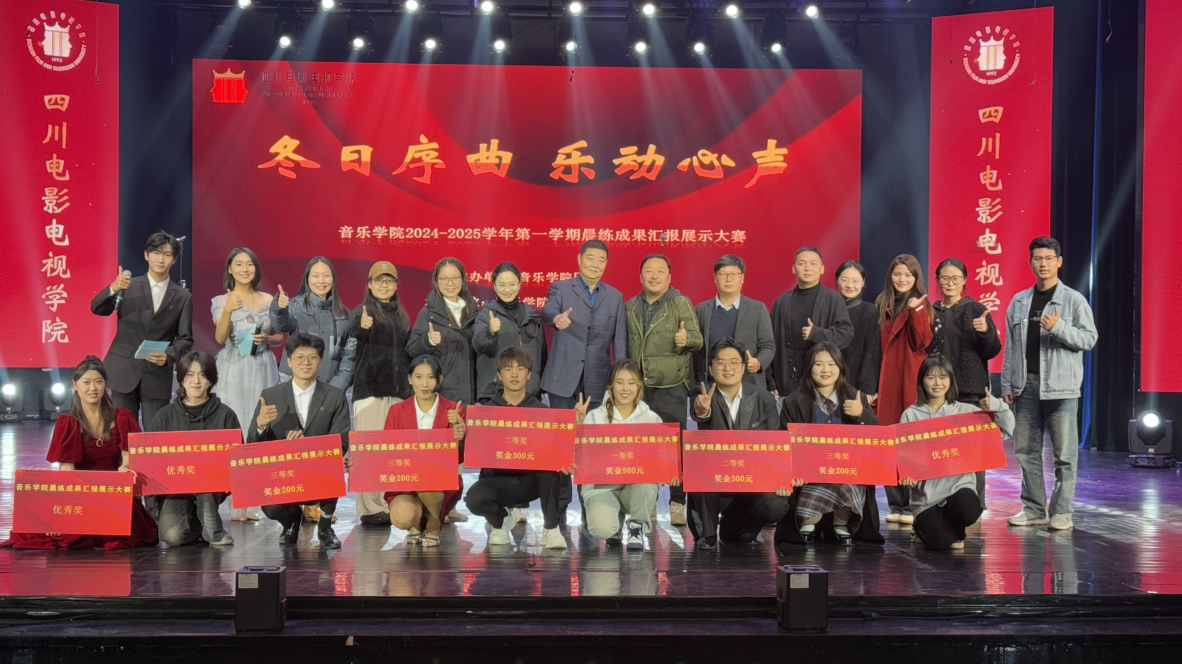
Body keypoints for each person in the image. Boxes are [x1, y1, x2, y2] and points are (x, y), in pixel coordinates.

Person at [2, 357, 159, 550]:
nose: (93, 388)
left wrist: (124, 470)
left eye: (98, 382)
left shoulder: (122, 417)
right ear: (75, 386)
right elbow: (68, 471)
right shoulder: (68, 423)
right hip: (82, 493)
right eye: (86, 382)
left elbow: (128, 458)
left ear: (105, 385)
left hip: (114, 493)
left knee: (132, 532)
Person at [1002, 237, 1098, 531]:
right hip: (1025, 386)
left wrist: (1059, 327)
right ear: (1030, 262)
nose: (1042, 264)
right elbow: (1011, 348)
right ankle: (1033, 509)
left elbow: (1089, 339)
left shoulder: (1073, 300)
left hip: (1061, 388)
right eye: (1037, 258)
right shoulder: (1019, 301)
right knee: (1026, 452)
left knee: (1064, 456)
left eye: (1048, 258)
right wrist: (1007, 384)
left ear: (1059, 262)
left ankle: (1061, 512)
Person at [248, 333, 352, 549]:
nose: (306, 363)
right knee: (270, 504)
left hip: (318, 469)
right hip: (283, 473)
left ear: (321, 362)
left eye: (312, 358)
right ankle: (292, 520)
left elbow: (341, 442)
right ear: (289, 362)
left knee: (334, 464)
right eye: (299, 358)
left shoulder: (335, 396)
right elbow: (252, 445)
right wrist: (260, 424)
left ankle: (325, 528)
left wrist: (308, 447)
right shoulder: (271, 395)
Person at [775, 342, 882, 549]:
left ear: (841, 368)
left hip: (847, 470)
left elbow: (877, 440)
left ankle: (841, 522)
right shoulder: (793, 401)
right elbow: (783, 444)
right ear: (809, 367)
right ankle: (810, 520)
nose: (825, 370)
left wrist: (862, 414)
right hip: (808, 473)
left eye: (832, 364)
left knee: (849, 474)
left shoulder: (856, 398)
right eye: (819, 364)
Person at [900, 356, 1014, 550]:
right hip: (926, 499)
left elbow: (1005, 431)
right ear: (921, 381)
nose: (937, 383)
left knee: (969, 508)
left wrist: (997, 406)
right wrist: (907, 474)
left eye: (943, 377)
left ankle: (954, 529)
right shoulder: (911, 415)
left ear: (951, 380)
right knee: (941, 542)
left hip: (959, 490)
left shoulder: (967, 412)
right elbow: (904, 456)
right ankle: (922, 528)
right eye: (930, 377)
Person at [464, 348, 572, 550]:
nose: (514, 374)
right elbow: (473, 451)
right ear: (499, 375)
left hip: (532, 482)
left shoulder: (542, 411)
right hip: (498, 481)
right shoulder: (486, 413)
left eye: (520, 369)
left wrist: (575, 431)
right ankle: (501, 521)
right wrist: (462, 433)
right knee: (474, 499)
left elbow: (556, 451)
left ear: (529, 374)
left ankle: (551, 528)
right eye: (508, 369)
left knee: (552, 470)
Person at [688, 339, 788, 550]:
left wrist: (780, 477)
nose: (727, 368)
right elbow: (700, 413)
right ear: (711, 368)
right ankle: (707, 534)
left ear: (743, 368)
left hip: (751, 481)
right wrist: (702, 410)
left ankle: (742, 527)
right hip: (716, 481)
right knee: (698, 472)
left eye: (734, 362)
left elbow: (775, 443)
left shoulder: (764, 399)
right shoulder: (703, 393)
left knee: (776, 504)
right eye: (721, 362)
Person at [626, 254, 702, 527]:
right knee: (644, 447)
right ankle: (648, 501)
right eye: (649, 271)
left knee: (674, 448)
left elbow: (698, 339)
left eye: (660, 271)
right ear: (641, 276)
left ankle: (677, 503)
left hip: (672, 386)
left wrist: (686, 338)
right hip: (640, 389)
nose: (654, 276)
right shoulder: (631, 306)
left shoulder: (680, 303)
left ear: (669, 277)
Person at [90, 231, 193, 428]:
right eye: (156, 253)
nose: (160, 259)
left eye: (167, 254)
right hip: (123, 370)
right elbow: (97, 308)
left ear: (174, 260)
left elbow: (185, 338)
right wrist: (113, 288)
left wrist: (168, 355)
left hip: (157, 373)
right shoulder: (127, 285)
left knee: (156, 431)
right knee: (122, 430)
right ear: (146, 255)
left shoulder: (182, 297)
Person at [211, 247, 281, 522]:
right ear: (230, 269)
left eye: (249, 264)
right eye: (238, 264)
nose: (244, 269)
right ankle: (236, 502)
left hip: (263, 366)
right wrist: (228, 310)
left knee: (262, 427)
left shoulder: (268, 299)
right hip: (234, 368)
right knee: (236, 428)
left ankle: (257, 499)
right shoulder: (222, 300)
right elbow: (219, 338)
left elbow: (278, 336)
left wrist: (269, 340)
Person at [927, 257, 1002, 507]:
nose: (950, 283)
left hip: (969, 391)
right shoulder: (931, 311)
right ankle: (939, 503)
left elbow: (992, 350)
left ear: (964, 281)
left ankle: (975, 507)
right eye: (945, 278)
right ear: (938, 280)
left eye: (955, 278)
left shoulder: (976, 309)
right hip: (937, 392)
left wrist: (985, 332)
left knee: (972, 452)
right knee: (938, 450)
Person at [148, 351, 240, 547]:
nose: (196, 381)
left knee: (205, 477)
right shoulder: (164, 416)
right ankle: (198, 525)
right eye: (189, 375)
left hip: (211, 487)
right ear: (181, 379)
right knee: (172, 537)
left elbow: (238, 459)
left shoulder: (226, 415)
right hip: (175, 489)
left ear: (211, 380)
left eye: (202, 375)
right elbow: (151, 461)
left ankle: (213, 530)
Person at [575, 360, 667, 550]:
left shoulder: (652, 419)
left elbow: (661, 460)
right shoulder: (594, 417)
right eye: (619, 382)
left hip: (635, 488)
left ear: (639, 386)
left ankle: (637, 527)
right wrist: (579, 428)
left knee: (647, 479)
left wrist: (669, 471)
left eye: (631, 383)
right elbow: (580, 460)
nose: (625, 388)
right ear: (611, 385)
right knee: (602, 529)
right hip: (601, 487)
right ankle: (614, 525)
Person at [347, 261, 414, 527]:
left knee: (390, 452)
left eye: (389, 280)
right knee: (368, 451)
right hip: (371, 391)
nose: (384, 285)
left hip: (398, 393)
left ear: (396, 285)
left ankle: (386, 503)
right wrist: (361, 324)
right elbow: (353, 326)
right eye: (379, 280)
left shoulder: (402, 316)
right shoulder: (363, 311)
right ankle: (369, 508)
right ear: (369, 284)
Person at [382, 355, 467, 547]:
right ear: (409, 379)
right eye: (418, 377)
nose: (425, 384)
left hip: (438, 483)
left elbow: (460, 459)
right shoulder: (396, 411)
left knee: (428, 479)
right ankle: (417, 522)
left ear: (440, 379)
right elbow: (386, 451)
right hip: (406, 481)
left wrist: (460, 435)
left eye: (430, 377)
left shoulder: (454, 410)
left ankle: (434, 522)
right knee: (402, 517)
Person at [875, 254, 935, 524]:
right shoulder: (882, 303)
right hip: (887, 381)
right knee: (888, 444)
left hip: (910, 379)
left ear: (916, 278)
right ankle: (896, 505)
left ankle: (914, 504)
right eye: (897, 274)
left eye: (908, 275)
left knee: (911, 442)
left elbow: (922, 342)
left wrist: (916, 311)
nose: (902, 279)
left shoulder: (922, 304)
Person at [541, 239, 628, 410]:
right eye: (590, 258)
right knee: (562, 427)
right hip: (562, 378)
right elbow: (548, 310)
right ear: (579, 259)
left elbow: (620, 343)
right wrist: (557, 319)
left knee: (593, 428)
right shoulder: (561, 289)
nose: (595, 265)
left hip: (598, 381)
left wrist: (621, 378)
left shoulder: (616, 297)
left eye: (601, 260)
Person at [770, 247, 853, 397]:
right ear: (794, 269)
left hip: (823, 387)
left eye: (813, 264)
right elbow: (770, 343)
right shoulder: (781, 302)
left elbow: (845, 335)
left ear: (822, 269)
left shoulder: (833, 299)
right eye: (802, 263)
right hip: (786, 387)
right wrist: (770, 382)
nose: (807, 268)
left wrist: (816, 334)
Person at [270, 256, 355, 390]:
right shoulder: (294, 307)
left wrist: (332, 392)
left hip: (329, 391)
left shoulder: (345, 316)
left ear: (333, 279)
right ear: (307, 279)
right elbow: (280, 325)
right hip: (293, 388)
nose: (321, 281)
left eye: (326, 275)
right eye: (315, 276)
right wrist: (279, 308)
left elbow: (348, 362)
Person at [407, 257, 479, 406]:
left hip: (470, 396)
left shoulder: (473, 312)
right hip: (441, 396)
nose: (450, 283)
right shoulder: (428, 313)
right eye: (444, 279)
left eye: (455, 278)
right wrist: (428, 341)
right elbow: (412, 349)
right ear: (437, 281)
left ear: (463, 280)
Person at [472, 262, 547, 403]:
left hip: (529, 392)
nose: (507, 290)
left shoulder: (532, 315)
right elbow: (478, 345)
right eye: (502, 285)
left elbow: (541, 354)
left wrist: (539, 384)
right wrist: (490, 331)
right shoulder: (486, 314)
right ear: (494, 286)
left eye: (512, 284)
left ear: (519, 284)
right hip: (495, 394)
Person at [834, 261, 881, 398]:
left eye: (855, 281)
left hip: (856, 387)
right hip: (827, 383)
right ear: (837, 281)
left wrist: (866, 391)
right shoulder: (829, 309)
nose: (850, 285)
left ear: (863, 283)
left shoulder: (870, 312)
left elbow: (872, 354)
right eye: (844, 280)